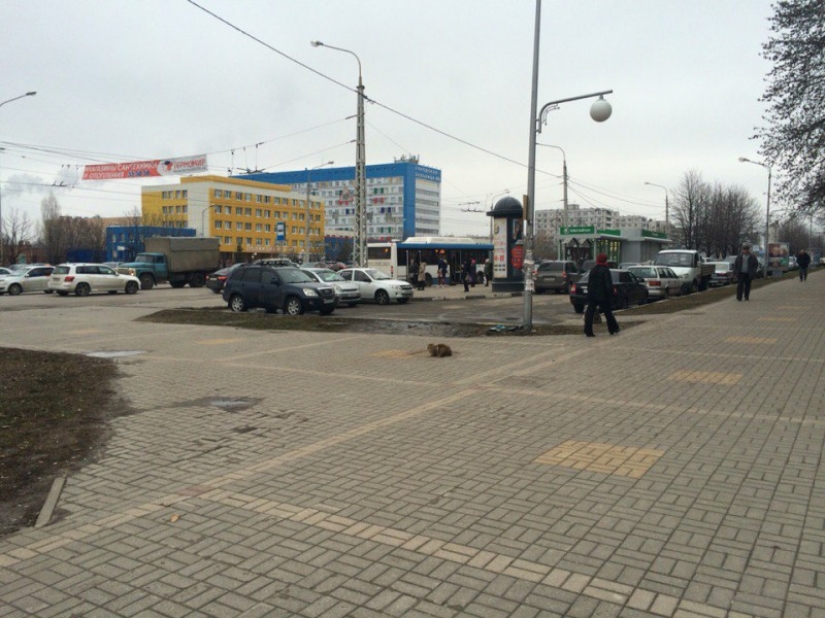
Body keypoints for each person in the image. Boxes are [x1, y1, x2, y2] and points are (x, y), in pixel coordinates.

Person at [584, 253, 620, 337]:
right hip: (603, 295)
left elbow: (589, 283)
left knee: (590, 313)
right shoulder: (605, 270)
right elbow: (608, 284)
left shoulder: (593, 270)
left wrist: (589, 293)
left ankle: (588, 330)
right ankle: (613, 328)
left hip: (592, 295)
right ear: (605, 260)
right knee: (608, 312)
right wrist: (612, 292)